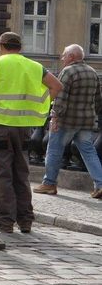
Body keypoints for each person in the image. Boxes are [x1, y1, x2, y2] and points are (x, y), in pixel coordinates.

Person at [0, 32, 62, 233]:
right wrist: (42, 105)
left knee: (1, 173)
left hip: (0, 126)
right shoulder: (34, 66)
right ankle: (25, 221)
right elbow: (57, 86)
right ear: (19, 47)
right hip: (24, 128)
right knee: (21, 174)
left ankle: (5, 222)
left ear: (0, 45)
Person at [34, 44, 102, 199]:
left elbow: (60, 97)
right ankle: (100, 184)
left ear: (72, 56)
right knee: (89, 152)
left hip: (66, 121)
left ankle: (49, 183)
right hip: (86, 121)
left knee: (54, 150)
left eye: (64, 55)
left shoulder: (68, 71)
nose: (62, 58)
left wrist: (55, 117)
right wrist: (91, 114)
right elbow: (98, 99)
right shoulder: (93, 72)